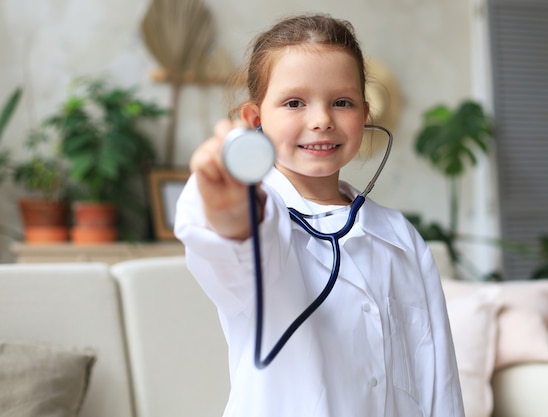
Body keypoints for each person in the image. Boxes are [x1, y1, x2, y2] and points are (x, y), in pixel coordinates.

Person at [174, 13, 465, 417]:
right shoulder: (263, 219)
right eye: (295, 102)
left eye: (341, 102)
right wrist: (231, 215)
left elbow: (438, 377)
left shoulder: (400, 237)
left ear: (364, 115)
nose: (322, 120)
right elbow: (232, 254)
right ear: (255, 120)